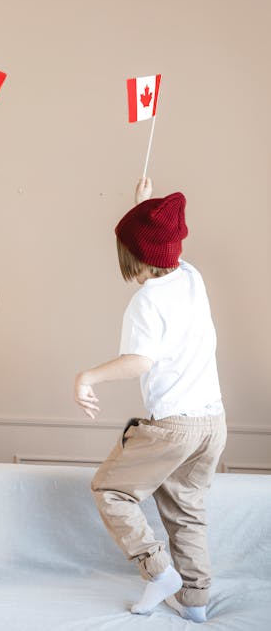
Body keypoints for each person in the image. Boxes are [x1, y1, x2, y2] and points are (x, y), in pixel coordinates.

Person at [74, 178, 226, 623]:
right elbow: (168, 241)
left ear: (131, 256)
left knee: (110, 489)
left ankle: (158, 572)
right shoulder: (191, 278)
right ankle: (196, 602)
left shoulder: (146, 301)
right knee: (186, 512)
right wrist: (145, 208)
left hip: (174, 427)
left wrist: (89, 376)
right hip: (213, 424)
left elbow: (139, 361)